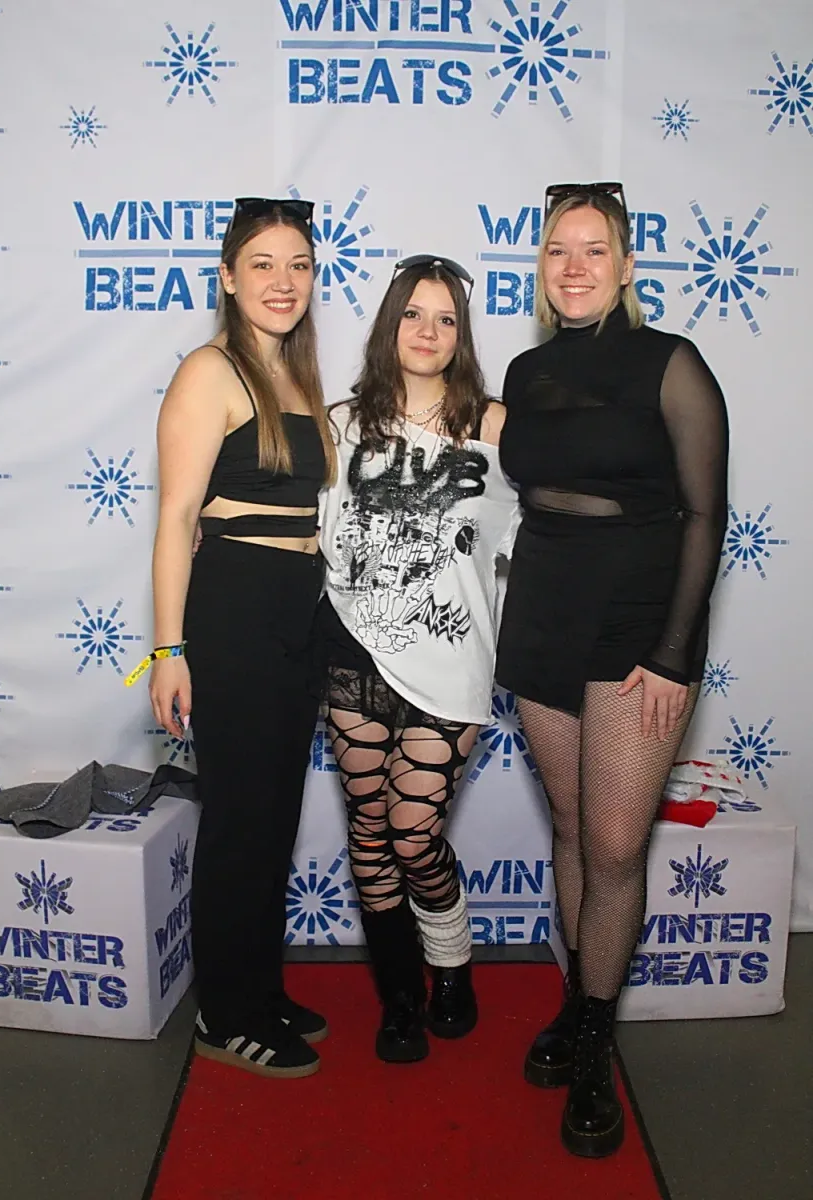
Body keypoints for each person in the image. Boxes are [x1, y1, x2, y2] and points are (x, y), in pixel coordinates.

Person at [496, 183, 729, 1156]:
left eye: (594, 249)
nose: (574, 266)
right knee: (567, 826)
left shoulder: (671, 363)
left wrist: (672, 653)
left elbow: (705, 514)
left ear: (627, 265)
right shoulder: (525, 369)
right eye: (559, 249)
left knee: (614, 844)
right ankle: (575, 1001)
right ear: (540, 266)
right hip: (541, 614)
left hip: (635, 624)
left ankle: (594, 1041)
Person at [148, 197, 337, 1079]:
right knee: (237, 820)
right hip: (233, 610)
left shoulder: (296, 376)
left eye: (297, 264)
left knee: (273, 818)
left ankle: (259, 987)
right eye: (262, 263)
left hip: (298, 610)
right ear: (227, 276)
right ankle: (224, 1016)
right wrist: (168, 650)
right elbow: (176, 515)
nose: (282, 281)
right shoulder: (209, 371)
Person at [317, 255, 520, 1062]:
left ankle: (452, 965)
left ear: (461, 335)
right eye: (412, 314)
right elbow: (296, 524)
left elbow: (554, 531)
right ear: (388, 324)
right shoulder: (339, 424)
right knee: (370, 837)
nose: (427, 331)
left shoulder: (497, 428)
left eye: (445, 319)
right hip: (354, 654)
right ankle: (400, 998)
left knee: (412, 838)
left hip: (452, 660)